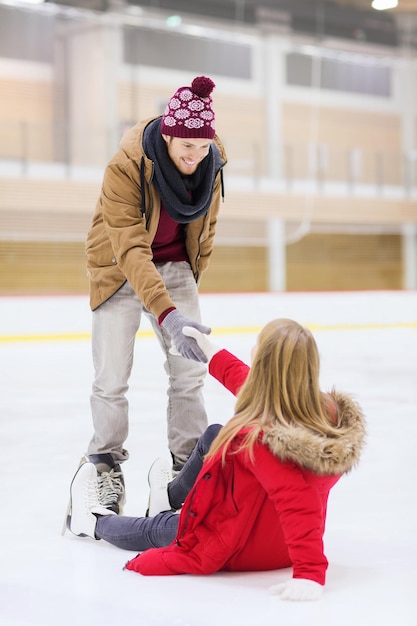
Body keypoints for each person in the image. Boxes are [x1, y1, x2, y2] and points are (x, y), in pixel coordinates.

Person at [66, 319, 366, 601]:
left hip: (237, 545)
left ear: (263, 363)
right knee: (214, 435)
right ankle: (169, 496)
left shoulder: (260, 438)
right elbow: (250, 384)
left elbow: (298, 501)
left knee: (156, 528)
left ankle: (91, 522)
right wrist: (210, 351)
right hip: (277, 543)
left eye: (257, 346)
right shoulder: (324, 412)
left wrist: (310, 574)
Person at [82, 75, 227, 513]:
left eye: (202, 147)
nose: (194, 155)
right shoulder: (125, 167)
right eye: (186, 146)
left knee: (189, 373)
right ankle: (105, 466)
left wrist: (186, 286)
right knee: (111, 378)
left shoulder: (212, 163)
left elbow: (207, 227)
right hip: (119, 268)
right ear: (168, 133)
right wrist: (169, 313)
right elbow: (130, 247)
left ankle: (187, 469)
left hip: (176, 266)